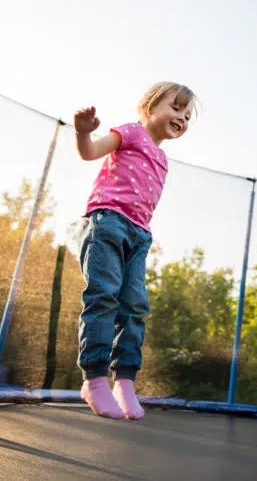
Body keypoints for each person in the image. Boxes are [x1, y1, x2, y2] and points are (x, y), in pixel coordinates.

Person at [73, 81, 197, 419]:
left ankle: (124, 382)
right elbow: (89, 152)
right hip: (108, 220)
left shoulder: (162, 159)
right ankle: (95, 378)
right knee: (103, 297)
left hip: (140, 234)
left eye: (187, 115)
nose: (182, 118)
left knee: (135, 307)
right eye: (176, 108)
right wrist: (83, 133)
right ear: (149, 107)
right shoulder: (129, 132)